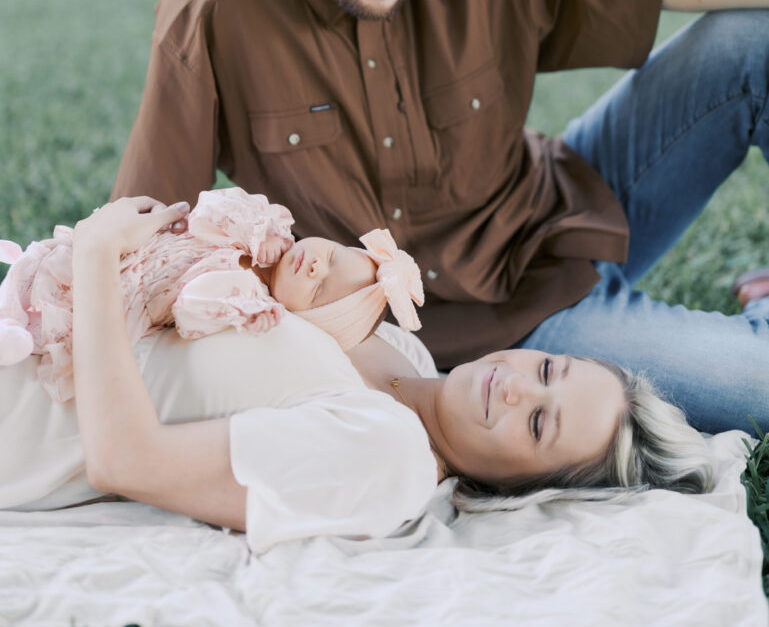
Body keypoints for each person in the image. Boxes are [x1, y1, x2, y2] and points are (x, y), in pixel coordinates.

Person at [112, 0, 769, 436]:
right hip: (508, 327)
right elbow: (138, 237)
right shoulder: (213, 15)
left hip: (564, 209)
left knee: (753, 36)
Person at [0, 197, 714, 553]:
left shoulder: (386, 455)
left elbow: (129, 461)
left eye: (538, 423)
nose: (519, 387)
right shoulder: (403, 353)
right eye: (549, 370)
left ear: (517, 486)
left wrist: (97, 257)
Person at [0, 188, 424, 402]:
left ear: (305, 318)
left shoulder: (247, 293)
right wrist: (256, 234)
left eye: (320, 288)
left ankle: (14, 335)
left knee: (56, 321)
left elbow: (192, 308)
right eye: (329, 255)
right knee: (42, 267)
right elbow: (209, 207)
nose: (316, 266)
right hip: (123, 248)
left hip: (120, 291)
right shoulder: (262, 221)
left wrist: (248, 315)